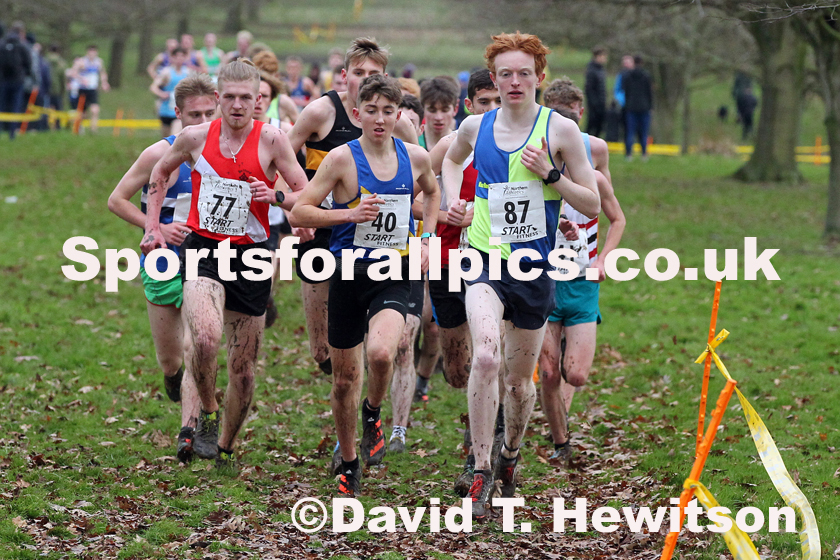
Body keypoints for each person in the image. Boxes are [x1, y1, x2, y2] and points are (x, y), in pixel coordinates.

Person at [442, 32, 599, 518]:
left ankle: (510, 455)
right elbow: (448, 159)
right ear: (494, 78)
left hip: (533, 269)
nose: (514, 82)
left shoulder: (561, 132)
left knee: (517, 383)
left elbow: (592, 204)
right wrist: (454, 202)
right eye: (505, 74)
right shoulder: (475, 126)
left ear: (539, 78)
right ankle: (481, 468)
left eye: (523, 74)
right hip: (484, 259)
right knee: (485, 357)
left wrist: (552, 176)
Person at [140, 59, 308, 471]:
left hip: (252, 255)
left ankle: (227, 444)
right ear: (218, 99)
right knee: (205, 336)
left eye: (245, 98)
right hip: (205, 249)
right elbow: (159, 172)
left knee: (244, 369)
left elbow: (304, 190)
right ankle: (209, 416)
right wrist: (152, 228)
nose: (236, 105)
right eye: (229, 97)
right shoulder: (196, 137)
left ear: (257, 102)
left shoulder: (272, 140)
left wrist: (276, 198)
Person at [290, 74, 440, 496]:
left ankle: (373, 411)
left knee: (380, 353)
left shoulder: (415, 157)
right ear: (357, 114)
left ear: (398, 115)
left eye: (387, 111)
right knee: (342, 381)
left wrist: (426, 238)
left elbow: (432, 193)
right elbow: (300, 212)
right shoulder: (340, 159)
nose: (379, 118)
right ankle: (351, 461)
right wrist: (347, 215)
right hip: (348, 275)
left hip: (396, 271)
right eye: (370, 110)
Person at [287, 37, 419, 382]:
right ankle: (346, 377)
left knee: (368, 340)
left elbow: (418, 182)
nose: (364, 79)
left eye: (373, 73)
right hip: (322, 229)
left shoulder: (400, 125)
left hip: (377, 241)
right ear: (344, 75)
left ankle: (359, 398)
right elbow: (278, 161)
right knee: (323, 352)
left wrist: (423, 232)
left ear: (386, 78)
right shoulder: (320, 112)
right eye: (358, 72)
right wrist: (292, 205)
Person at [108, 75, 219, 462]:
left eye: (209, 113)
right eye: (194, 115)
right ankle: (173, 380)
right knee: (172, 360)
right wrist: (154, 226)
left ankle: (189, 430)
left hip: (206, 260)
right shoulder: (159, 153)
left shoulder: (225, 153)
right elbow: (117, 200)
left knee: (196, 346)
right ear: (177, 114)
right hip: (160, 258)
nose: (202, 121)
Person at [407, 69, 503, 493]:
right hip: (449, 263)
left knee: (490, 352)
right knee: (459, 368)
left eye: (498, 102)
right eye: (484, 103)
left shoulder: (522, 147)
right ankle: (480, 417)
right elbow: (411, 200)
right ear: (469, 107)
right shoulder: (451, 147)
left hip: (498, 263)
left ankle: (483, 442)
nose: (492, 111)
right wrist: (445, 215)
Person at [539, 77, 626, 465]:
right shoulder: (536, 174)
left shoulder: (597, 171)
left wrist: (603, 259)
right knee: (547, 370)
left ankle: (557, 414)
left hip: (582, 280)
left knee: (575, 375)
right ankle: (560, 441)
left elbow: (616, 217)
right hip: (542, 279)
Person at [0, 22, 33, 139]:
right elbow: (28, 63)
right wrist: (27, 75)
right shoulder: (22, 45)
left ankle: (1, 130)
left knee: (2, 105)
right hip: (18, 80)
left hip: (3, 80)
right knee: (15, 106)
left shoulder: (2, 44)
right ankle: (12, 133)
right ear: (21, 32)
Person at [150, 47, 192, 137]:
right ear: (172, 58)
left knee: (174, 138)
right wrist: (162, 94)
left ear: (185, 58)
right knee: (165, 139)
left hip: (180, 111)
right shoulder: (166, 72)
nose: (179, 59)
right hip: (166, 110)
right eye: (177, 56)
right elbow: (153, 87)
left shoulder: (188, 72)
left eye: (182, 56)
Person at [70, 44, 109, 133]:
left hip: (93, 89)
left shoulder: (98, 62)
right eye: (90, 51)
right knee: (82, 113)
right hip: (83, 89)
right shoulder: (81, 62)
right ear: (87, 52)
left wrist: (104, 83)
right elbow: (73, 72)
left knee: (95, 110)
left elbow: (102, 73)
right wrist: (81, 79)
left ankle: (93, 129)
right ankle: (79, 127)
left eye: (94, 52)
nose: (92, 54)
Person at [623, 55, 653, 161]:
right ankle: (644, 154)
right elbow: (649, 93)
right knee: (644, 132)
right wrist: (650, 106)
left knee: (630, 132)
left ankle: (628, 154)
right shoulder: (646, 76)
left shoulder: (627, 76)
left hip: (631, 107)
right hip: (644, 107)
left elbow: (625, 91)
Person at [584, 47, 607, 138]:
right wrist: (594, 103)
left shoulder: (601, 70)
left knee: (599, 126)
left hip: (601, 102)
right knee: (591, 125)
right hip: (594, 104)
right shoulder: (591, 70)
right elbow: (589, 88)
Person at [44, 44, 67, 128]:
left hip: (46, 89)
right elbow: (63, 79)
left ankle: (46, 126)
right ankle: (57, 127)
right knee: (58, 109)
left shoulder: (44, 61)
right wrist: (63, 91)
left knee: (45, 109)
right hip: (57, 90)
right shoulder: (61, 64)